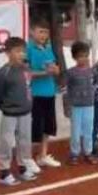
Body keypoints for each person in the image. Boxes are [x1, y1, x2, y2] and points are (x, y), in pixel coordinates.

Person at [0, 37, 40, 186]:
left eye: (23, 51)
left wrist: (28, 104)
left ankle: (23, 167)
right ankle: (4, 172)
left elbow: (28, 88)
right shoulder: (3, 72)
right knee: (6, 142)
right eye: (18, 51)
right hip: (9, 113)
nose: (22, 54)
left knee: (25, 141)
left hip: (26, 112)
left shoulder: (25, 70)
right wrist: (6, 107)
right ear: (8, 53)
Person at [27, 20, 62, 170]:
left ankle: (42, 156)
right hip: (36, 94)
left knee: (48, 127)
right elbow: (27, 73)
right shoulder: (28, 49)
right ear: (32, 31)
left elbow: (55, 68)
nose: (44, 35)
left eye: (46, 32)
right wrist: (44, 73)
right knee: (36, 128)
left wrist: (55, 70)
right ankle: (28, 159)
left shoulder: (48, 48)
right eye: (41, 31)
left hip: (50, 93)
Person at [64, 41, 98, 165]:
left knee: (88, 130)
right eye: (80, 56)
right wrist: (67, 106)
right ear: (74, 57)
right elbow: (65, 90)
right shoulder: (71, 72)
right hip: (76, 106)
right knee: (75, 131)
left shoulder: (92, 71)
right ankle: (74, 153)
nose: (83, 59)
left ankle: (88, 152)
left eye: (85, 55)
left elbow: (95, 84)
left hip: (89, 105)